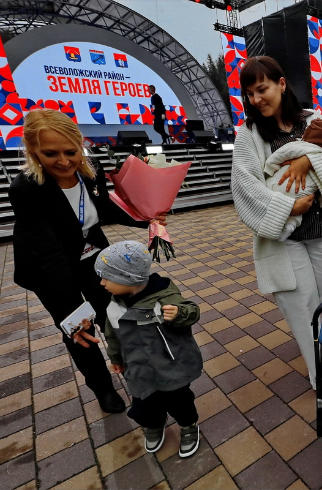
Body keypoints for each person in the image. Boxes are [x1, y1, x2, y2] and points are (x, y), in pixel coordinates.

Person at [9, 109, 155, 414]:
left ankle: (135, 374)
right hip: (49, 268)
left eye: (70, 151)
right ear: (33, 151)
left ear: (80, 145)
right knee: (80, 332)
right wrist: (72, 314)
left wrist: (148, 218)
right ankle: (102, 388)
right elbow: (49, 254)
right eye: (51, 154)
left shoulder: (90, 170)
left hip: (92, 257)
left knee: (114, 316)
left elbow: (104, 208)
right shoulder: (26, 188)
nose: (64, 161)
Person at [230, 56, 322, 389]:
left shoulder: (310, 119)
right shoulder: (250, 133)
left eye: (262, 89)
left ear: (281, 84)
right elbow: (244, 185)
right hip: (286, 238)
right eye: (250, 93)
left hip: (321, 227)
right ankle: (320, 376)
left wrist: (306, 160)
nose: (256, 99)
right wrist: (288, 207)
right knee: (301, 306)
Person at [95, 241, 202, 458]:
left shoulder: (163, 299)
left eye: (107, 277)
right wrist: (115, 358)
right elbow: (112, 335)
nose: (101, 283)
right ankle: (154, 423)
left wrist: (179, 313)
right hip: (138, 369)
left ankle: (188, 425)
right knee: (144, 405)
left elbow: (191, 310)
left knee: (180, 402)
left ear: (128, 278)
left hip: (170, 367)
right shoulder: (115, 306)